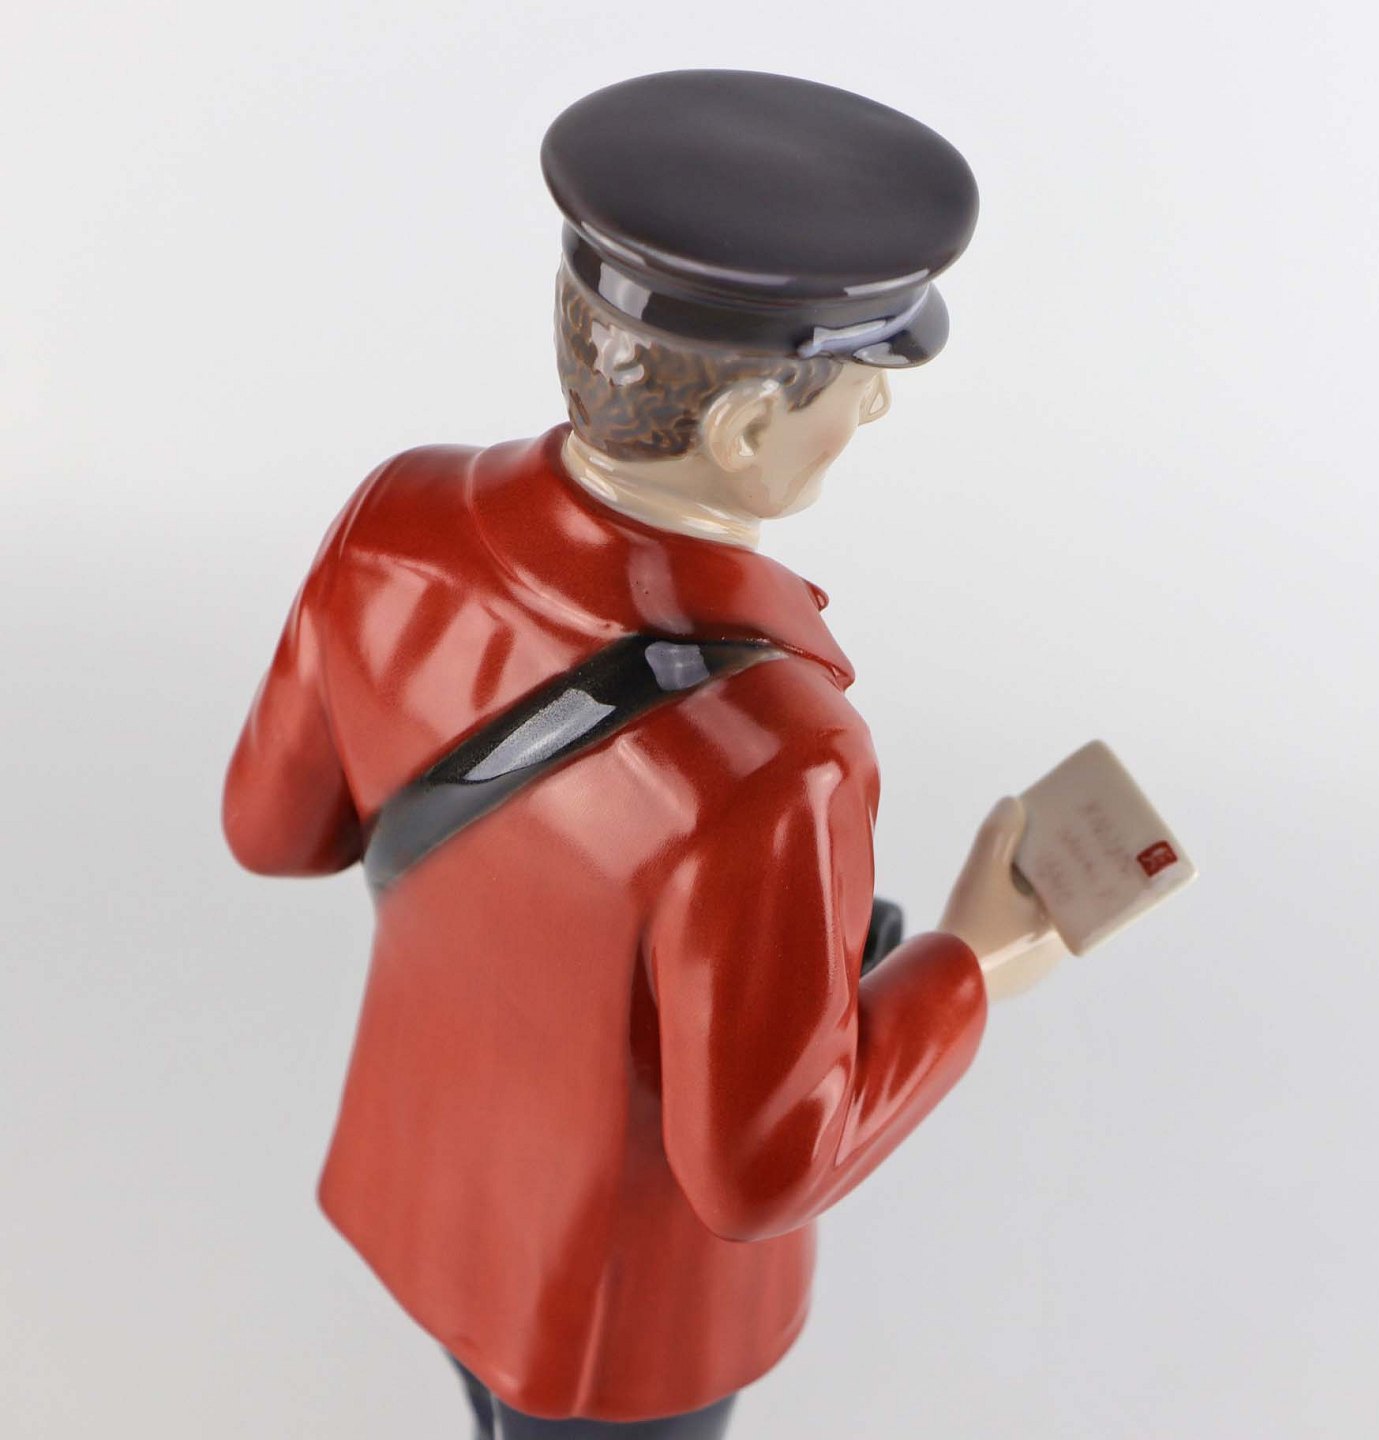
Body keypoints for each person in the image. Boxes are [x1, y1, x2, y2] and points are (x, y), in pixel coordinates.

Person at [222, 70, 1064, 1439]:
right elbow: (764, 1168)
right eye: (857, 386)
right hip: (619, 1316)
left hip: (431, 1197)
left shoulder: (395, 516)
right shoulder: (782, 754)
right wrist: (974, 961)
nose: (871, 415)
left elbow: (272, 833)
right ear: (743, 432)